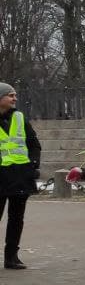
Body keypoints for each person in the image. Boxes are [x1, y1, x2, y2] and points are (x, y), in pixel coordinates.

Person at [0, 83, 40, 272]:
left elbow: (34, 144)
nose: (15, 98)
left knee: (16, 219)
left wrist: (32, 165)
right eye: (10, 95)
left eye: (15, 95)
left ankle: (11, 257)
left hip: (20, 176)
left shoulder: (19, 117)